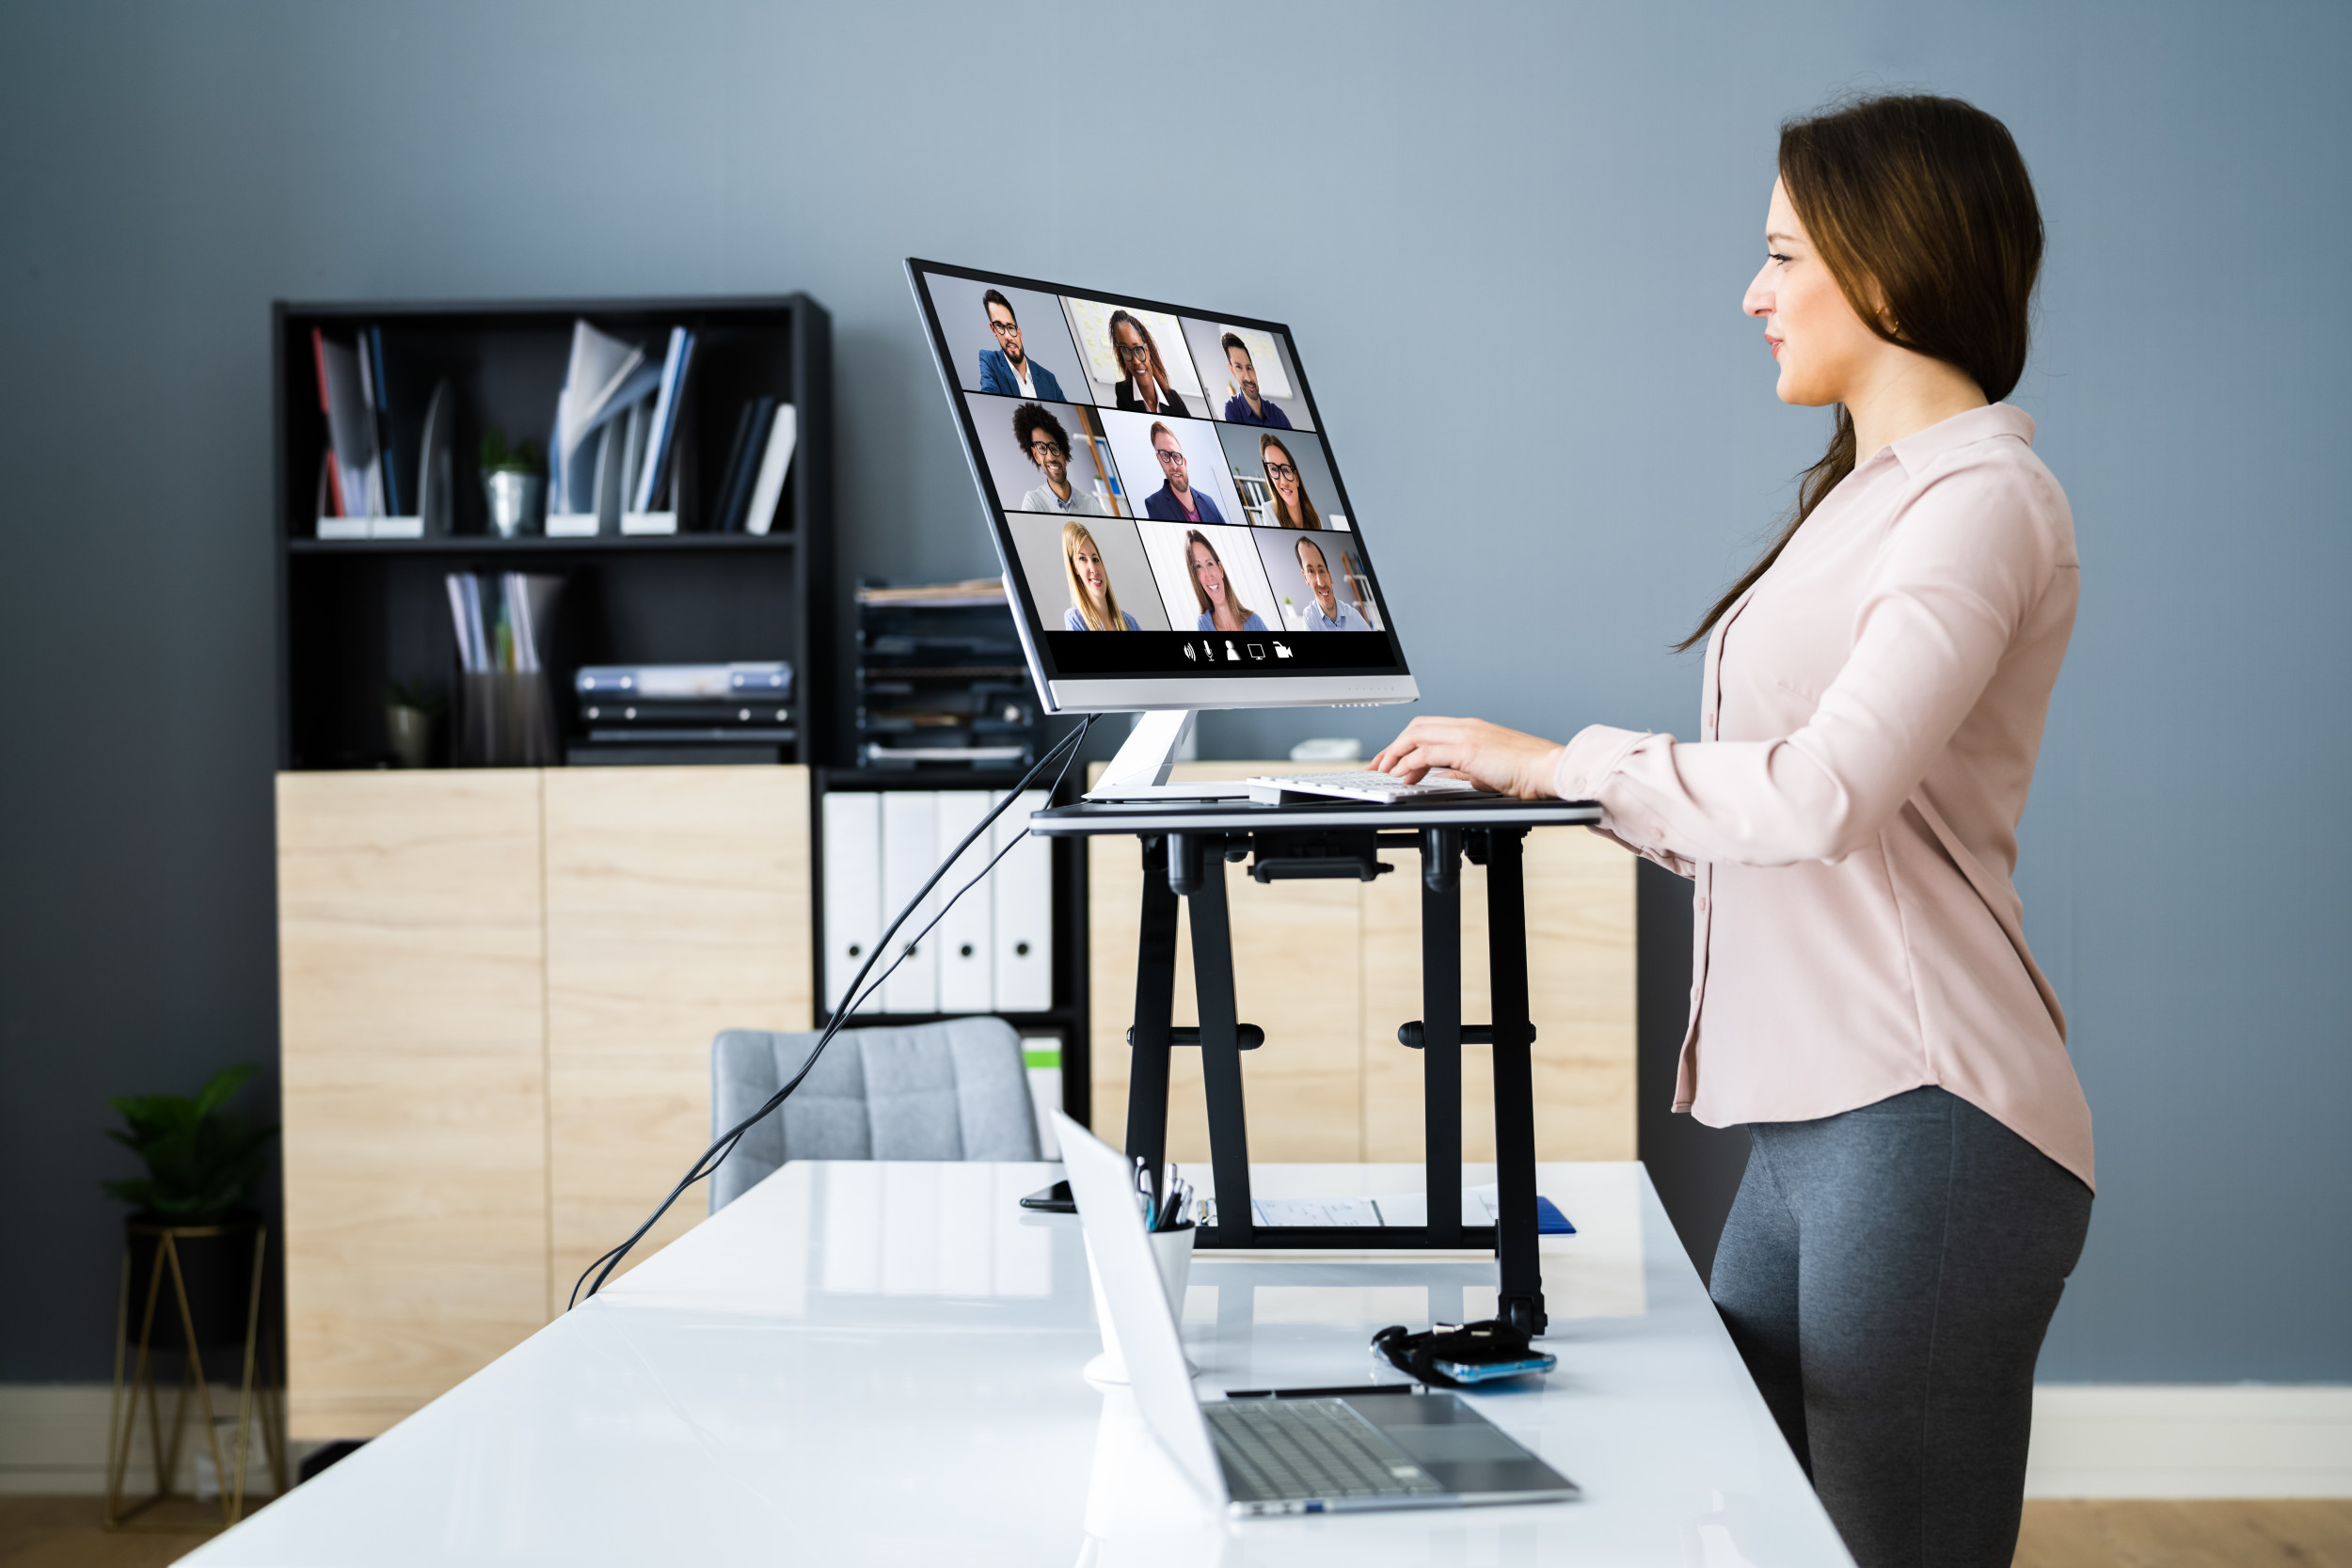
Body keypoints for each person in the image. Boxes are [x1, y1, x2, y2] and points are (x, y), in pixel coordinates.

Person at [1368, 95, 2090, 1568]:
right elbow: (1775, 824)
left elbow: (1825, 795)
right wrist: (1548, 784)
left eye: (1781, 256)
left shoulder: (1982, 502)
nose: (1753, 295)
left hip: (1930, 1115)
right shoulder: (1859, 506)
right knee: (1754, 1520)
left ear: (1885, 271)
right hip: (1822, 1120)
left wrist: (1571, 760)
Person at [1011, 404, 1107, 515]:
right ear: (1036, 456)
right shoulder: (1033, 503)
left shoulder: (1091, 504)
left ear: (1063, 455)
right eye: (1042, 448)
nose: (1051, 457)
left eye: (1054, 448)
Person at [977, 289, 1066, 401]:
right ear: (994, 330)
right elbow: (988, 399)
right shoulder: (989, 360)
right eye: (999, 326)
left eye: (1010, 327)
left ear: (1019, 333)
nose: (1008, 336)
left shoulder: (1049, 379)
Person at [1140, 421, 1228, 524]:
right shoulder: (1154, 504)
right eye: (1165, 456)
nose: (1173, 465)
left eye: (1176, 456)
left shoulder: (1209, 502)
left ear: (1185, 463)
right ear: (1159, 461)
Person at [1060, 520, 1138, 630]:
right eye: (1082, 559)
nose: (1094, 570)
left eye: (1095, 559)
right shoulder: (1074, 619)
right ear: (1074, 568)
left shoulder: (1130, 622)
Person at [1108, 309, 1188, 415]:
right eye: (1126, 351)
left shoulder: (1174, 400)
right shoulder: (1122, 394)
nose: (1136, 361)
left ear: (1147, 350)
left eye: (1138, 350)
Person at [1184, 529, 1264, 632]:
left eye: (1209, 564)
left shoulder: (1254, 622)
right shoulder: (1204, 625)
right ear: (1196, 578)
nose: (1208, 575)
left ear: (1221, 569)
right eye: (1198, 566)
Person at [1292, 535, 1365, 630]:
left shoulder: (1354, 616)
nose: (1321, 583)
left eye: (1321, 571)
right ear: (1305, 577)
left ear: (1329, 576)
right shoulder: (1310, 618)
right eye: (1311, 571)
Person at [1220, 332, 1293, 427]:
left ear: (1254, 371)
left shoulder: (1277, 413)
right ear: (1232, 371)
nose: (1248, 377)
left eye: (1249, 368)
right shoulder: (1232, 409)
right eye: (1239, 367)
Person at [1259, 434, 1323, 529]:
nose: (1284, 482)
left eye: (1286, 470)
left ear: (1296, 478)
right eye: (1274, 470)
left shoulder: (1316, 521)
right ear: (1270, 478)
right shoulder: (1269, 511)